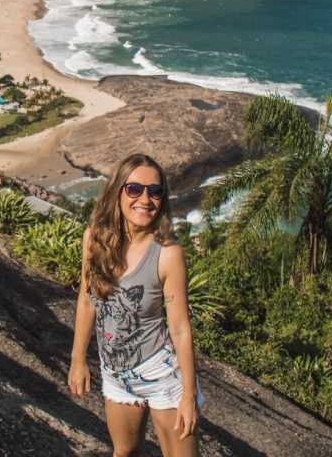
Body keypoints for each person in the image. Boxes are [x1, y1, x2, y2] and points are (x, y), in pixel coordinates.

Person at [68, 152, 205, 456]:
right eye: (135, 189)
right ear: (118, 191)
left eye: (155, 192)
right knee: (124, 452)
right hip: (116, 374)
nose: (146, 199)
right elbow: (87, 301)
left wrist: (188, 395)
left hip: (162, 373)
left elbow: (180, 327)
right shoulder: (94, 239)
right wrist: (78, 359)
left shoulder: (167, 254)